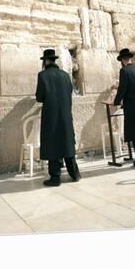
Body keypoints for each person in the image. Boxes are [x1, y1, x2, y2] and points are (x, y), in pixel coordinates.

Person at [35, 49, 81, 186]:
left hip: (51, 116)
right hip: (66, 115)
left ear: (45, 61)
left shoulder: (42, 75)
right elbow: (69, 92)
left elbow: (39, 97)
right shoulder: (65, 75)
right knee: (66, 142)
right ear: (54, 60)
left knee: (52, 144)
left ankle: (55, 177)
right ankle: (75, 174)